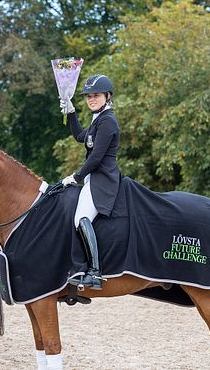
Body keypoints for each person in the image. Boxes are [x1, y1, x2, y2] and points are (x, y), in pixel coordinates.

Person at [60, 74, 121, 290]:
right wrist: (71, 111)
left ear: (107, 96)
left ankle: (95, 272)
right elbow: (80, 136)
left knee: (81, 218)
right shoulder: (98, 120)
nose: (91, 99)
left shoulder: (108, 122)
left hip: (103, 180)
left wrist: (74, 177)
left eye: (95, 96)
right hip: (93, 178)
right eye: (88, 97)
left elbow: (96, 157)